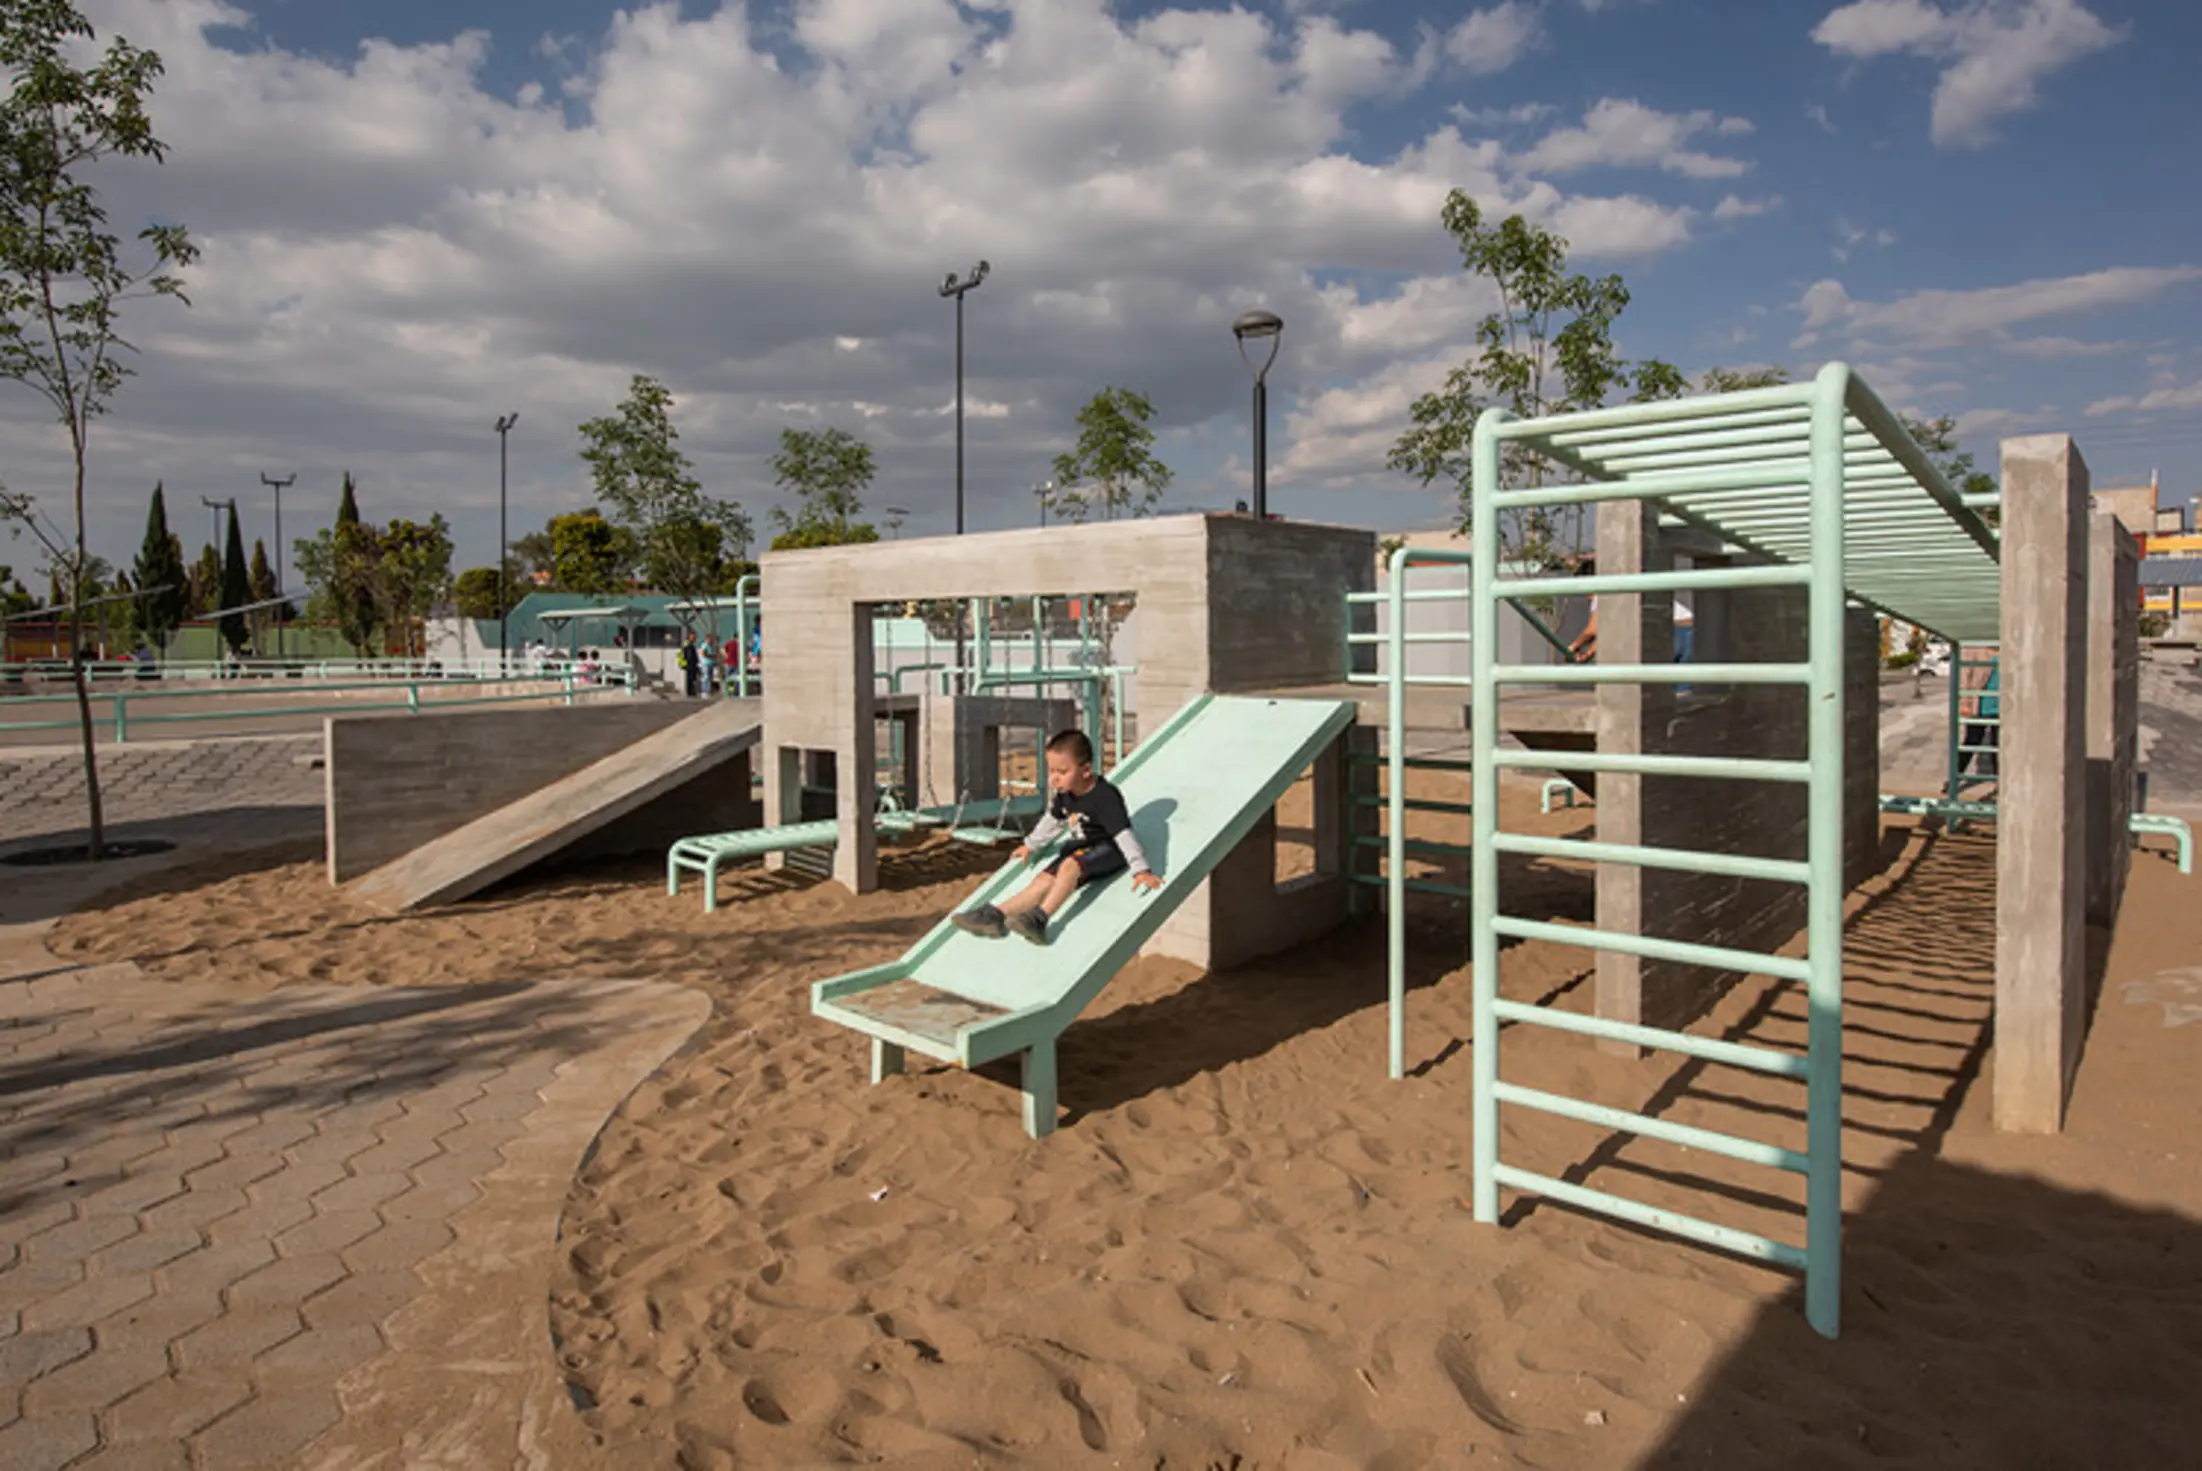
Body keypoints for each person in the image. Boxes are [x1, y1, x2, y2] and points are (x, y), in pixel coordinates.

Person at [951, 729, 1163, 946]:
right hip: (1081, 849)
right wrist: (1030, 845)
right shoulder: (1066, 795)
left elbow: (1123, 833)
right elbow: (1052, 821)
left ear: (1086, 770)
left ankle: (1039, 919)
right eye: (1051, 771)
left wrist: (1141, 869)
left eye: (1062, 772)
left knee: (1070, 866)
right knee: (1042, 881)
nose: (1054, 778)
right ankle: (996, 916)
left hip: (1109, 849)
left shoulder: (1105, 796)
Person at [677, 633, 700, 697]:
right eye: (694, 637)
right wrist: (694, 661)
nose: (695, 639)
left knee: (690, 678)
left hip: (688, 663)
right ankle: (690, 691)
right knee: (690, 678)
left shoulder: (687, 644)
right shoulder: (689, 645)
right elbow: (689, 655)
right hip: (689, 664)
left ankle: (690, 691)